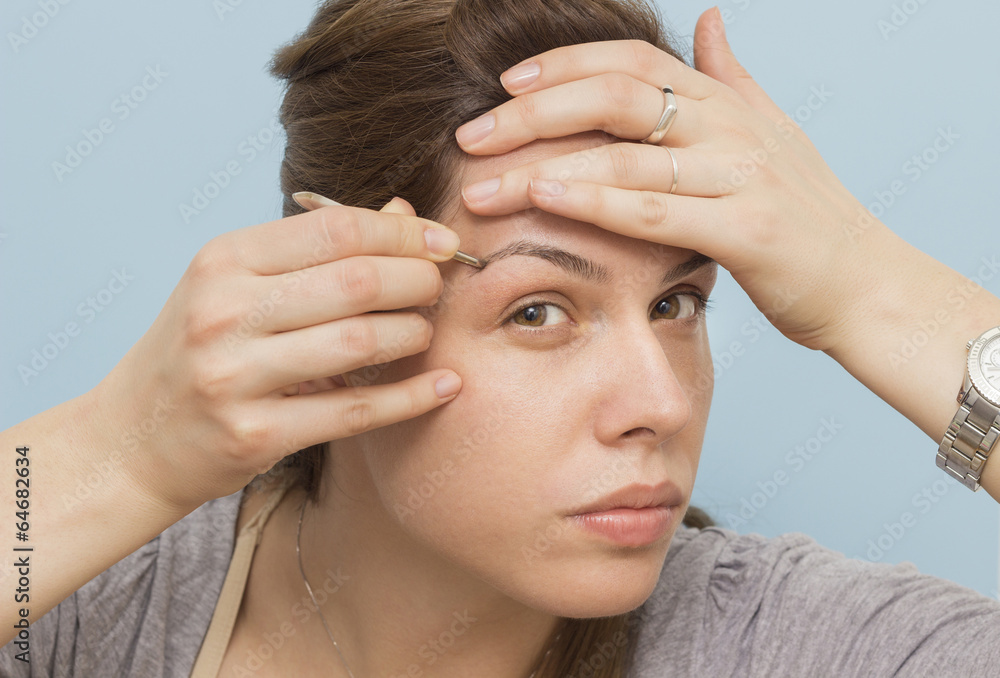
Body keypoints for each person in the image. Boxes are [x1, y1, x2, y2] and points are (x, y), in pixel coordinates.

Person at [3, 0, 1000, 676]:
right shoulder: (83, 607)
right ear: (340, 306)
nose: (657, 403)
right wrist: (121, 455)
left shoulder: (790, 644)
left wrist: (874, 287)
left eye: (677, 304)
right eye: (537, 312)